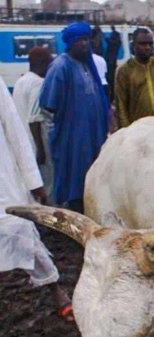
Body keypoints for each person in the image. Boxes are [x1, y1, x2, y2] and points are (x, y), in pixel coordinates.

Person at [0, 74, 73, 322]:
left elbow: (14, 130)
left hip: (2, 181)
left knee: (20, 230)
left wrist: (34, 182)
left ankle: (56, 290)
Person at [39, 22, 109, 212]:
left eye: (87, 39)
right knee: (75, 176)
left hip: (93, 133)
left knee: (94, 172)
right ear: (70, 43)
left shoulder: (89, 64)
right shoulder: (60, 66)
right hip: (72, 135)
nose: (86, 44)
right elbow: (48, 103)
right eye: (81, 40)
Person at [114, 28, 154, 128]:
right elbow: (121, 106)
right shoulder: (124, 71)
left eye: (150, 43)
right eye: (142, 44)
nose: (147, 47)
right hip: (138, 129)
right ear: (133, 45)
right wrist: (127, 131)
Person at [12, 48, 54, 202]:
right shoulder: (38, 83)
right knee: (46, 182)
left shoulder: (21, 81)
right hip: (37, 142)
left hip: (23, 140)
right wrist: (41, 151)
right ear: (43, 64)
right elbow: (34, 120)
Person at [106, 25, 122, 101]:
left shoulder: (116, 41)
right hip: (110, 61)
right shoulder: (115, 39)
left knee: (111, 81)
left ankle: (111, 97)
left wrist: (106, 39)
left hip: (111, 61)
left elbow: (113, 43)